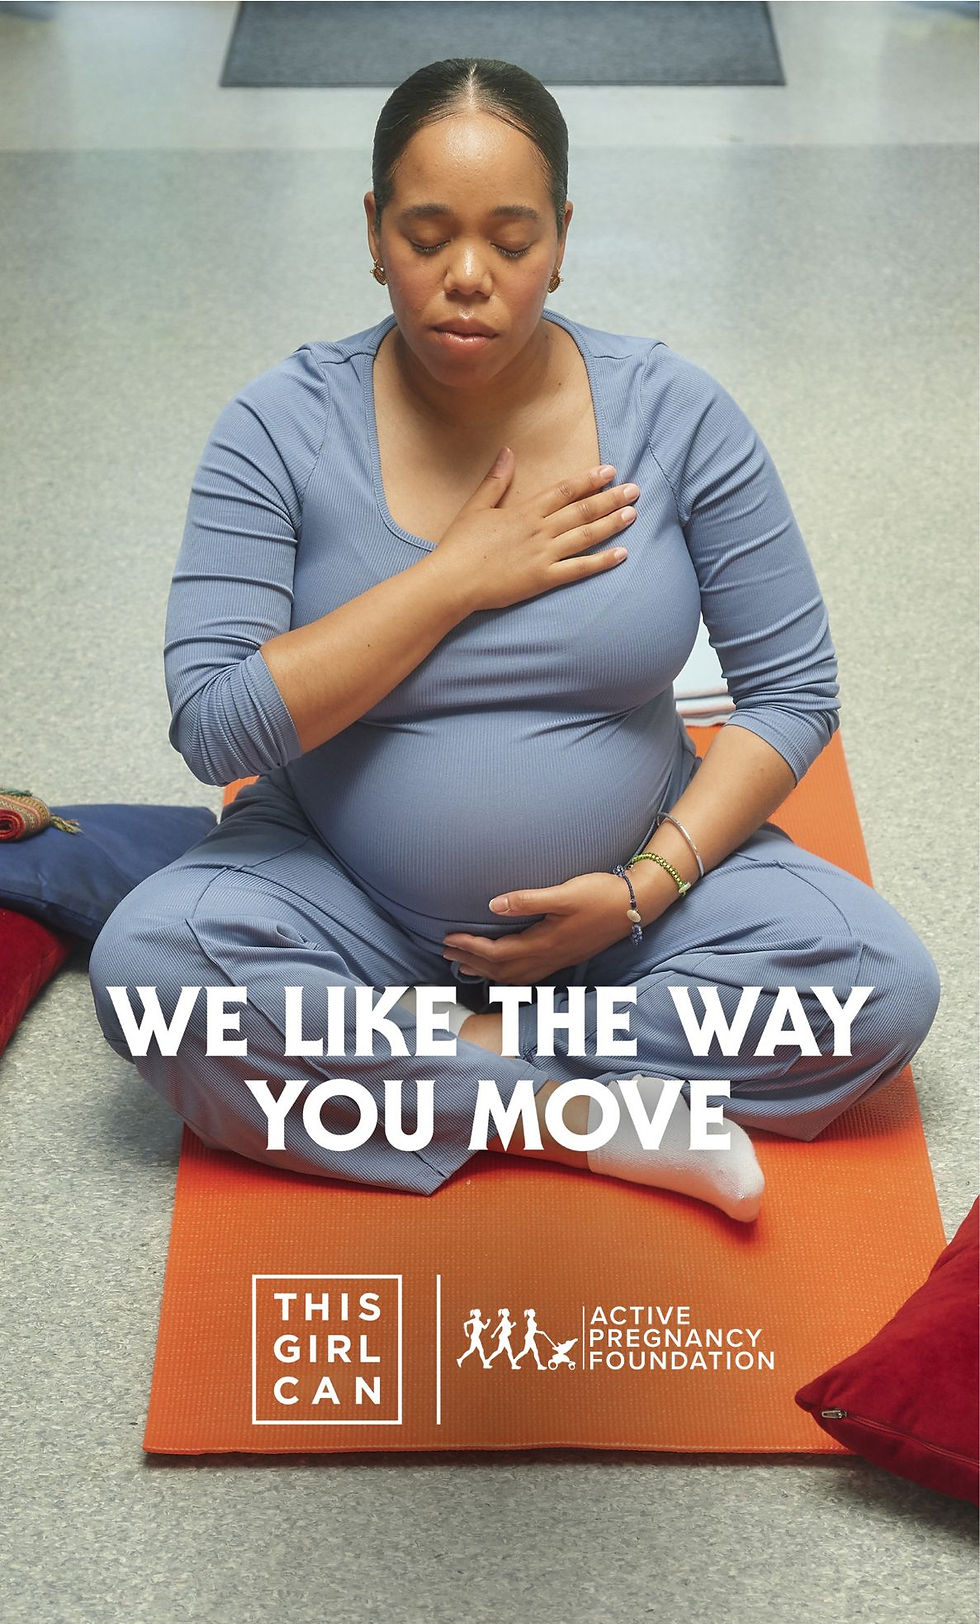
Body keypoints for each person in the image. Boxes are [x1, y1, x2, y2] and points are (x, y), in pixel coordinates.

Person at [89, 57, 940, 1222]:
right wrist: (450, 582)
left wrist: (642, 891)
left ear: (562, 236)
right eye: (427, 235)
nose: (468, 279)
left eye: (510, 237)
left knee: (874, 986)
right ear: (375, 230)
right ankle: (583, 1118)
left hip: (633, 906)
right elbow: (215, 723)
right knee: (152, 974)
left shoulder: (674, 413)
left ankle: (434, 1055)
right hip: (341, 897)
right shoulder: (277, 426)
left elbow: (790, 693)